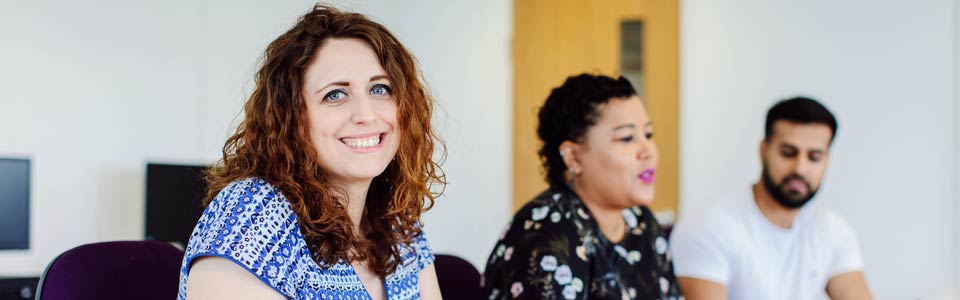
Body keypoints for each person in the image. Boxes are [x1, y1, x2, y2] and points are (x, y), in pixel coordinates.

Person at [177, 5, 445, 300]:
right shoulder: (251, 217)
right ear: (291, 118)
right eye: (335, 94)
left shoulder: (398, 225)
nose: (366, 114)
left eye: (380, 89)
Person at [482, 74, 683, 300]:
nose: (648, 151)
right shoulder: (545, 237)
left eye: (648, 134)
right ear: (574, 157)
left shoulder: (642, 224)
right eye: (627, 138)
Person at [669, 97, 872, 300]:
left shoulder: (832, 229)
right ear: (763, 151)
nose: (800, 168)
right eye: (788, 153)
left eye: (814, 157)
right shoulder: (708, 226)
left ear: (826, 161)